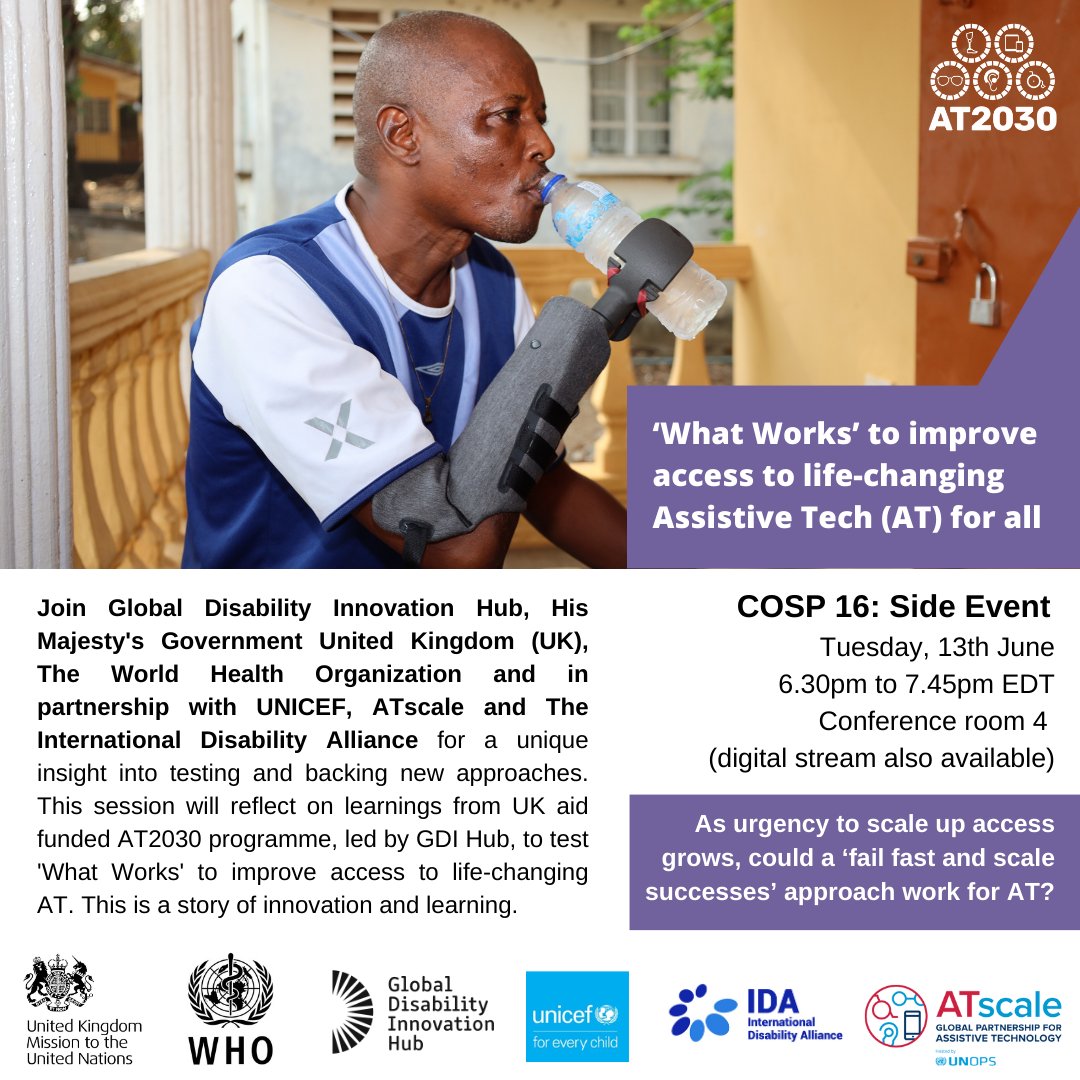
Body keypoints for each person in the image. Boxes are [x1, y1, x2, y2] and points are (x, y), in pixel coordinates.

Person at [182, 10, 626, 569]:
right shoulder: (272, 287)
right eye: (506, 116)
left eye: (539, 117)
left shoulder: (489, 283)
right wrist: (577, 334)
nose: (543, 144)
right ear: (402, 134)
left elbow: (539, 480)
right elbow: (453, 551)